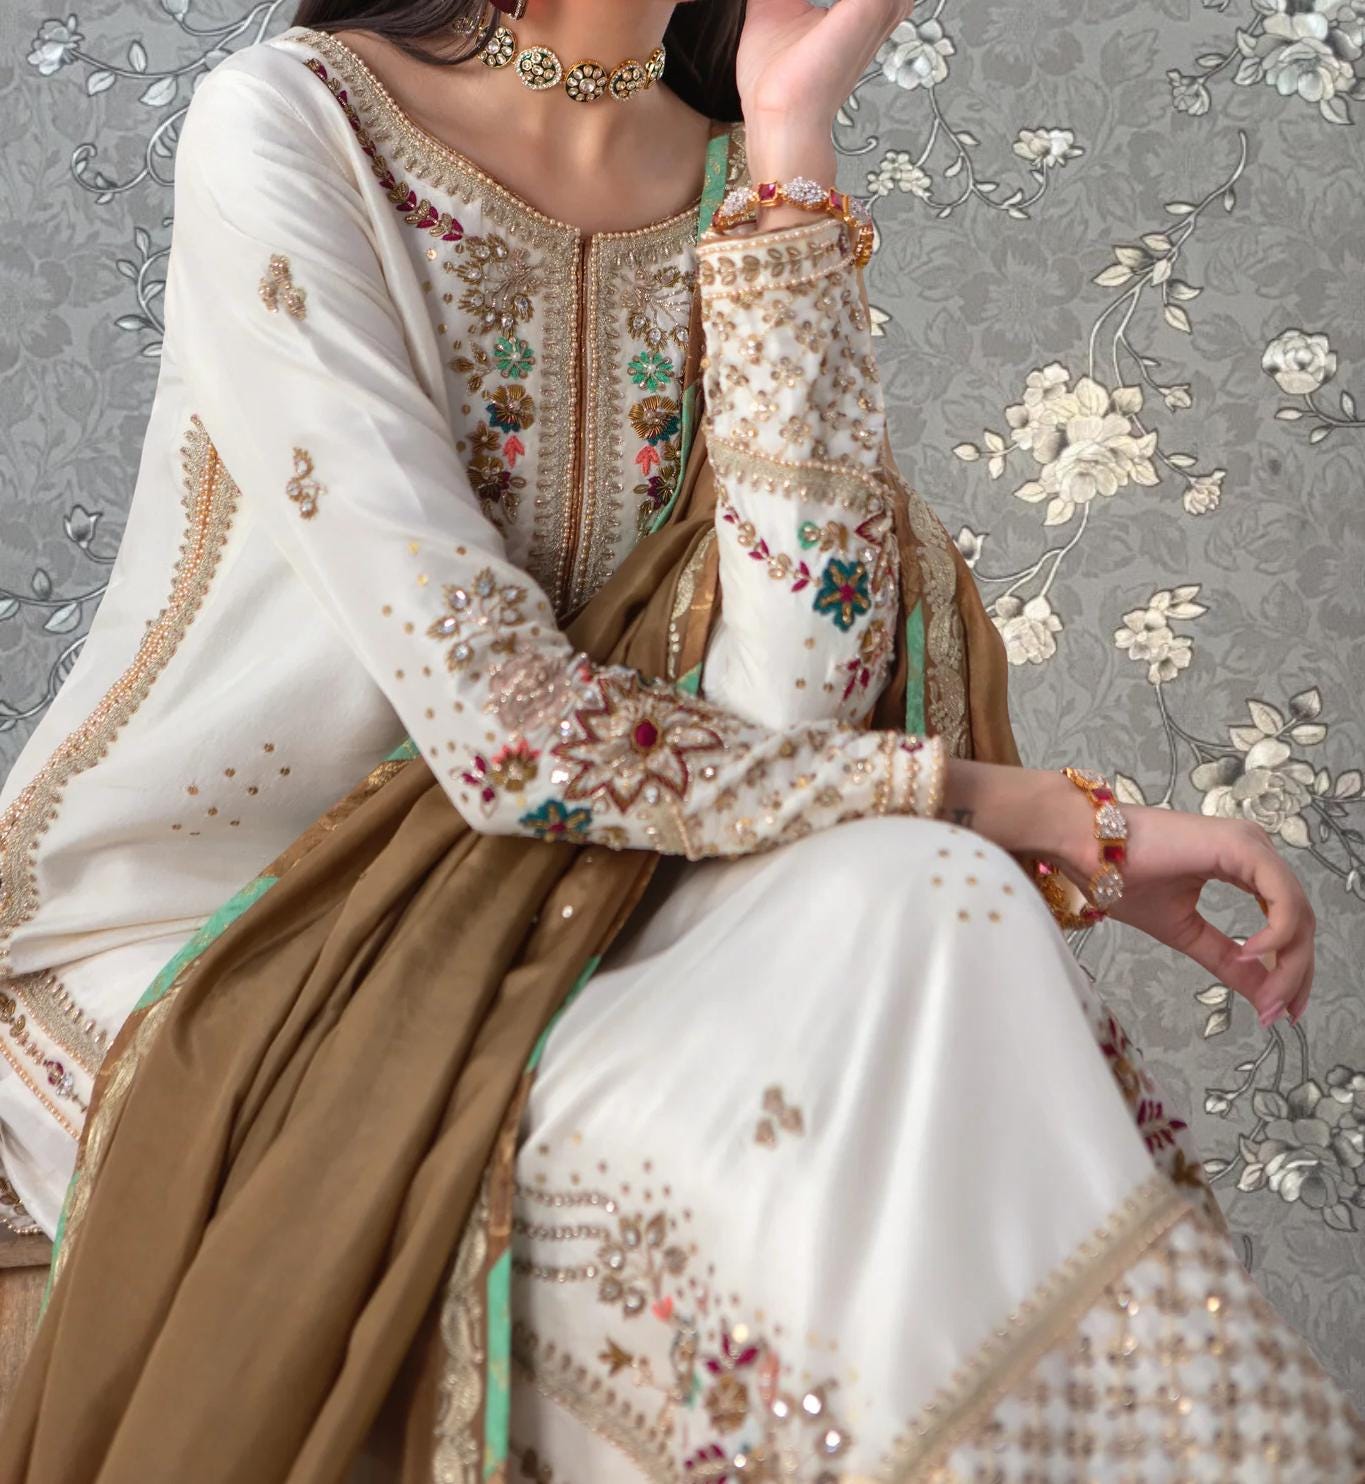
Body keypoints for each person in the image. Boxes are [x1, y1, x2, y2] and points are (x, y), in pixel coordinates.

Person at [0, 0, 1358, 1478]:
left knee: (928, 898)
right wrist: (1019, 803)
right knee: (707, 1143)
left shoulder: (731, 180)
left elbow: (797, 706)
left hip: (599, 891)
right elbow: (504, 726)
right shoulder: (292, 122)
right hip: (209, 919)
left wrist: (786, 140)